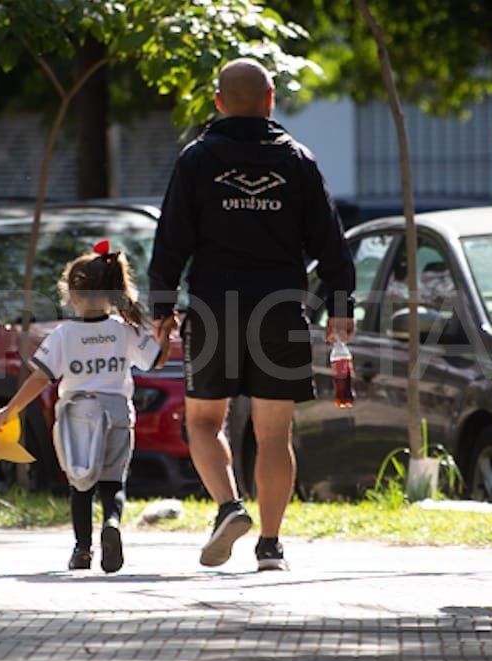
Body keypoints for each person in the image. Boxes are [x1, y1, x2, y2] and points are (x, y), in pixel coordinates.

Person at [148, 58, 356, 572]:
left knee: (202, 420)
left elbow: (170, 240)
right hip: (281, 308)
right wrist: (340, 308)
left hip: (214, 306)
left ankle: (228, 505)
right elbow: (331, 244)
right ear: (271, 99)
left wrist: (160, 307)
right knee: (273, 435)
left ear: (218, 102)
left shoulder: (196, 160)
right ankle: (270, 545)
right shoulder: (298, 160)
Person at [0, 242, 169, 573]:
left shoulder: (63, 334)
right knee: (113, 482)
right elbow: (156, 360)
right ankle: (112, 523)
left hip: (77, 417)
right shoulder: (124, 330)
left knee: (80, 483)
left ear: (71, 295)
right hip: (117, 414)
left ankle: (82, 550)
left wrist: (11, 409)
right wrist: (166, 336)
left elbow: (40, 378)